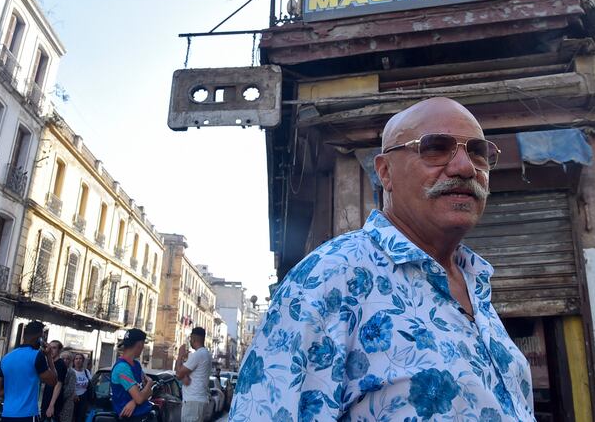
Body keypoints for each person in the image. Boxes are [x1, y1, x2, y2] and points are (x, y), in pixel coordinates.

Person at [229, 97, 535, 421]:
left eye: (478, 152)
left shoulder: (474, 282)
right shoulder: (327, 280)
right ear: (385, 172)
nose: (465, 167)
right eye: (435, 147)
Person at [0, 321, 58, 422]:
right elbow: (53, 381)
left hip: (7, 415)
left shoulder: (6, 358)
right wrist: (49, 356)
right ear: (39, 338)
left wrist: (15, 390)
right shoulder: (37, 356)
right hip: (27, 415)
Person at [110, 329, 154, 422]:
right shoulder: (122, 368)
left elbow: (149, 393)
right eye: (143, 345)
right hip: (130, 419)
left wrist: (134, 401)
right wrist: (149, 383)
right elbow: (140, 397)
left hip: (144, 416)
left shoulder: (136, 364)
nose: (142, 349)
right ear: (139, 345)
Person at [175, 328, 212, 422]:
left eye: (190, 339)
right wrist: (184, 375)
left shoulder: (198, 355)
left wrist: (180, 356)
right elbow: (185, 377)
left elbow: (179, 374)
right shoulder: (206, 354)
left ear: (193, 339)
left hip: (193, 402)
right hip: (198, 401)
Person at [41, 340, 66, 422]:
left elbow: (59, 385)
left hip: (54, 403)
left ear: (59, 350)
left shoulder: (61, 364)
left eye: (54, 348)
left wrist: (51, 405)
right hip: (45, 400)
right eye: (50, 348)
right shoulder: (48, 362)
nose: (51, 350)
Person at [72, 353, 92, 422]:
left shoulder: (87, 372)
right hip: (73, 398)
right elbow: (67, 385)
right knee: (73, 417)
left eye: (80, 359)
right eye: (76, 359)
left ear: (83, 361)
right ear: (73, 361)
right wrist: (73, 393)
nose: (78, 360)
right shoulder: (71, 372)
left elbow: (90, 384)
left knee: (81, 418)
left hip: (84, 397)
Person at [58, 352, 76, 422]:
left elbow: (70, 388)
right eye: (63, 359)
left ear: (70, 361)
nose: (65, 360)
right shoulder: (57, 369)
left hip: (66, 402)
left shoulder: (72, 372)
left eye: (67, 359)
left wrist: (60, 397)